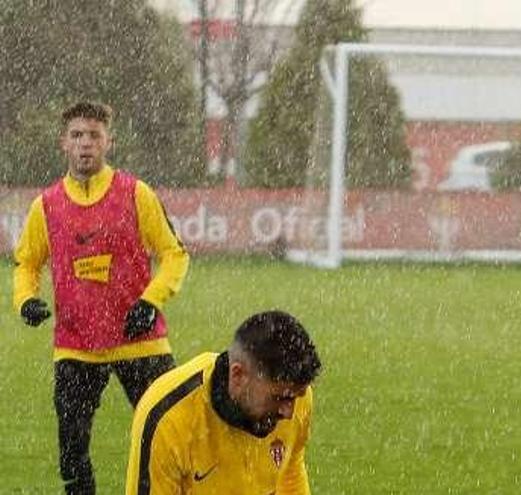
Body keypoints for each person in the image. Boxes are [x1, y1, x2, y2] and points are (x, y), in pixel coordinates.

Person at [12, 101, 189, 494]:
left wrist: (151, 300)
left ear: (108, 140)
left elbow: (175, 253)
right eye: (77, 135)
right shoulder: (46, 205)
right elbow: (26, 263)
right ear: (63, 143)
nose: (85, 144)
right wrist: (26, 300)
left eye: (94, 135)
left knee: (171, 436)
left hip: (141, 343)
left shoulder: (136, 193)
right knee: (73, 455)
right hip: (76, 346)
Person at [125, 310, 322, 494]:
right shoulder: (167, 418)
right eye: (280, 398)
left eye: (296, 396)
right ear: (238, 375)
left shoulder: (297, 397)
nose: (289, 412)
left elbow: (290, 472)